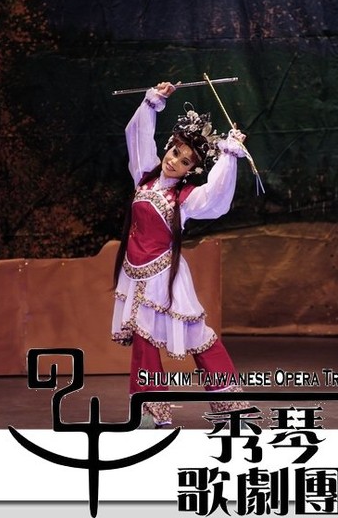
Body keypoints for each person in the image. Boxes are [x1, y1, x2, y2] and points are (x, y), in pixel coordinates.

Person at [111, 81, 249, 428]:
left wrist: (229, 156)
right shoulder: (144, 177)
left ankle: (231, 407)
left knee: (198, 338)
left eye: (185, 162)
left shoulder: (184, 199)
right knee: (144, 342)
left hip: (166, 279)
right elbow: (138, 138)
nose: (174, 162)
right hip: (136, 274)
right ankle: (150, 412)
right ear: (168, 148)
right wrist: (153, 102)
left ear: (191, 171)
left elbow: (216, 198)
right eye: (174, 153)